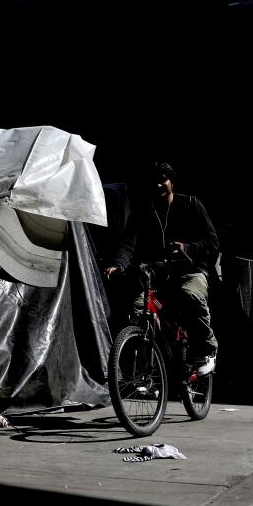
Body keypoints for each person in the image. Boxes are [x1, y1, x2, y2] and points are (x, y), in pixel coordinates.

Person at [104, 161, 219, 375]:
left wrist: (187, 248)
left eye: (163, 180)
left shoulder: (191, 205)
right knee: (138, 307)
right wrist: (118, 264)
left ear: (172, 183)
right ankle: (151, 365)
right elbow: (129, 243)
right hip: (158, 273)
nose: (158, 186)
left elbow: (212, 243)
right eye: (154, 182)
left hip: (191, 270)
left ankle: (207, 351)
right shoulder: (143, 212)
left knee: (190, 295)